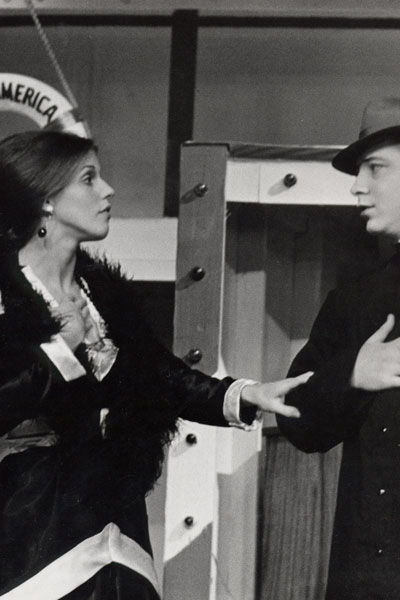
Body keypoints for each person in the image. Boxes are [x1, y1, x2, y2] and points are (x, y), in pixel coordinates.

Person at [0, 130, 311, 600]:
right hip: (34, 537)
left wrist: (245, 394)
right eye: (89, 179)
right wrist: (59, 350)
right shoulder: (5, 296)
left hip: (117, 526)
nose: (108, 191)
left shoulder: (103, 295)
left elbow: (159, 375)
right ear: (45, 199)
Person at [277, 97, 400, 600]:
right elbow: (295, 415)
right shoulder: (355, 301)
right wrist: (351, 374)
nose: (357, 186)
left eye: (376, 168)